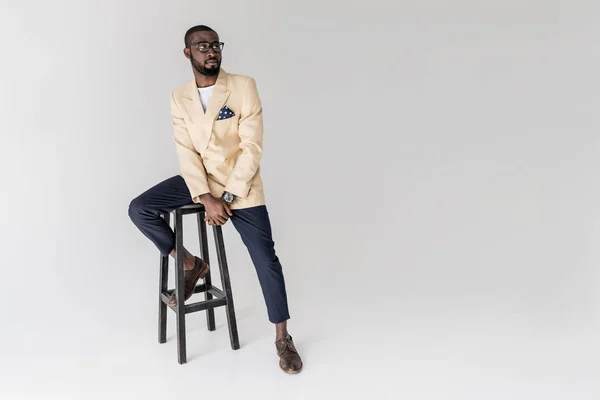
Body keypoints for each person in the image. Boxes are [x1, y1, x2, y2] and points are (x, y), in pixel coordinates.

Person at [128, 24, 303, 374]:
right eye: (202, 46)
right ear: (187, 53)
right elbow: (186, 150)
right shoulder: (180, 97)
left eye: (215, 45)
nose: (211, 51)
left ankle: (282, 337)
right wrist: (205, 196)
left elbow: (252, 148)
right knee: (140, 208)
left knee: (266, 259)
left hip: (241, 185)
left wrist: (225, 196)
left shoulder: (243, 86)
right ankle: (190, 263)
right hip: (200, 181)